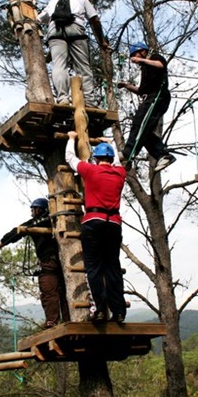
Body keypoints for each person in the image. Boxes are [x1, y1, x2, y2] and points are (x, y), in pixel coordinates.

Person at [65, 132, 127, 323]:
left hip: (93, 221)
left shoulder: (90, 170)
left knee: (93, 268)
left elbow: (70, 158)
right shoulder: (120, 173)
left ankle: (99, 310)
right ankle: (118, 312)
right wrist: (111, 143)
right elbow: (118, 161)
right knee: (112, 268)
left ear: (96, 158)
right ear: (110, 158)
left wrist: (72, 138)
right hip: (114, 224)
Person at [0, 198, 70, 328]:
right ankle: (67, 319)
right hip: (63, 262)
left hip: (49, 261)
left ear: (39, 209)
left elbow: (15, 232)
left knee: (49, 292)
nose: (32, 212)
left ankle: (52, 321)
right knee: (63, 291)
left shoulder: (38, 222)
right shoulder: (57, 219)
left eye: (33, 209)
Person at [38, 0, 110, 106]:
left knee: (59, 65)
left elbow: (39, 19)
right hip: (75, 28)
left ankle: (63, 99)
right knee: (83, 67)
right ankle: (89, 101)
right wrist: (102, 41)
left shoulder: (53, 1)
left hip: (54, 30)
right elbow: (95, 20)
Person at [117, 42, 176, 171]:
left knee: (140, 123)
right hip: (150, 97)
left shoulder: (154, 58)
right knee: (144, 129)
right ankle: (163, 155)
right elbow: (141, 91)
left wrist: (142, 60)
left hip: (158, 96)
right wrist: (127, 86)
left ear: (143, 51)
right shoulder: (145, 69)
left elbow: (161, 65)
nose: (135, 58)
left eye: (135, 54)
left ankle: (128, 151)